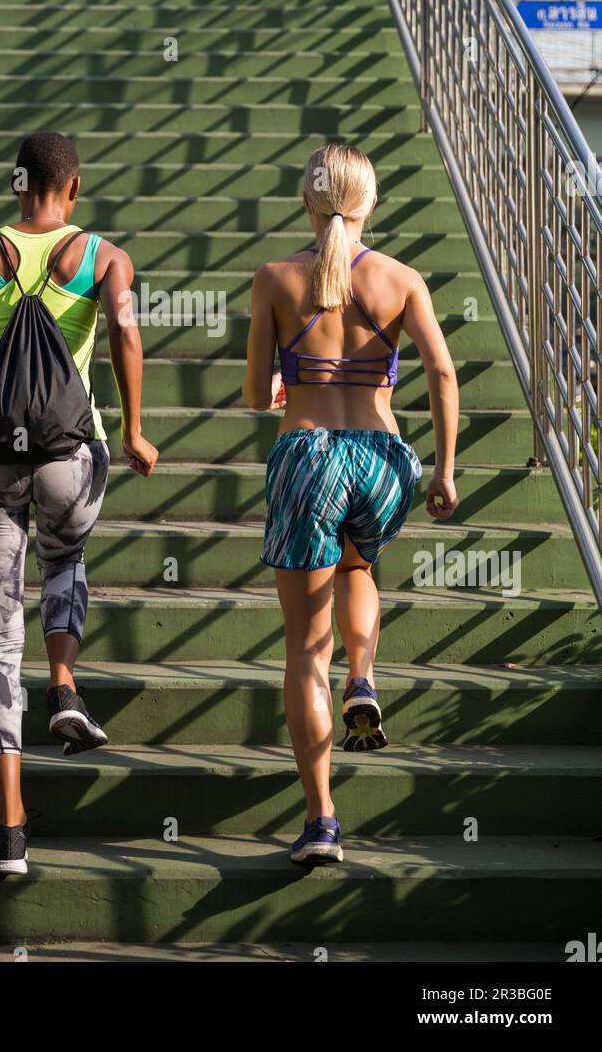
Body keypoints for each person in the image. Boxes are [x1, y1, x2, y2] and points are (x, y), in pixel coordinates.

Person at [243, 142, 459, 865]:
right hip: (383, 459)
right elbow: (440, 369)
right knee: (358, 566)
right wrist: (446, 471)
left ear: (307, 201)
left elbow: (252, 394)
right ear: (369, 202)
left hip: (306, 456)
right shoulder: (401, 279)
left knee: (305, 650)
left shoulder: (274, 279)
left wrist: (286, 387)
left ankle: (321, 821)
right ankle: (363, 677)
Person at [0, 130, 158, 874]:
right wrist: (134, 428)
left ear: (17, 184)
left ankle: (8, 831)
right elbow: (126, 334)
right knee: (65, 559)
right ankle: (64, 682)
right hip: (73, 454)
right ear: (74, 189)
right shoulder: (105, 258)